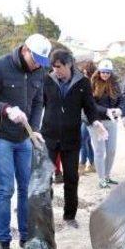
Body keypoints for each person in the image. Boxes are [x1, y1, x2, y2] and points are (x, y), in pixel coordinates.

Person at [0, 33, 50, 249]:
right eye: (35, 59)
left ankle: (26, 238)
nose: (37, 64)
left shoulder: (39, 71)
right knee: (6, 188)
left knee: (26, 188)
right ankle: (3, 240)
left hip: (23, 138)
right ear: (25, 50)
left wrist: (34, 128)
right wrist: (6, 109)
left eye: (41, 61)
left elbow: (38, 101)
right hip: (0, 137)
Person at [41, 49, 108, 226]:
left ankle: (70, 216)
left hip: (71, 139)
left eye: (59, 67)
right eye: (53, 67)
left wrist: (95, 122)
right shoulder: (47, 80)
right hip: (48, 136)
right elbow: (38, 103)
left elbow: (89, 107)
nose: (55, 70)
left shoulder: (83, 82)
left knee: (71, 178)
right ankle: (45, 214)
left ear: (69, 64)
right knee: (45, 177)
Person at [88, 59, 123, 188]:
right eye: (103, 72)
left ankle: (107, 176)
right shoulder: (92, 83)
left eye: (108, 73)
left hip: (111, 121)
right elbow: (90, 104)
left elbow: (121, 99)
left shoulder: (114, 84)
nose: (105, 75)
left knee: (112, 150)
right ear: (99, 72)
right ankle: (101, 178)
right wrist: (106, 110)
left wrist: (120, 109)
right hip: (97, 122)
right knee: (99, 151)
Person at [78, 60, 96, 174]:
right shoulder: (84, 83)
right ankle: (92, 164)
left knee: (82, 140)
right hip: (83, 116)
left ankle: (82, 164)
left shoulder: (91, 84)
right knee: (87, 141)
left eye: (85, 72)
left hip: (88, 117)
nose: (83, 74)